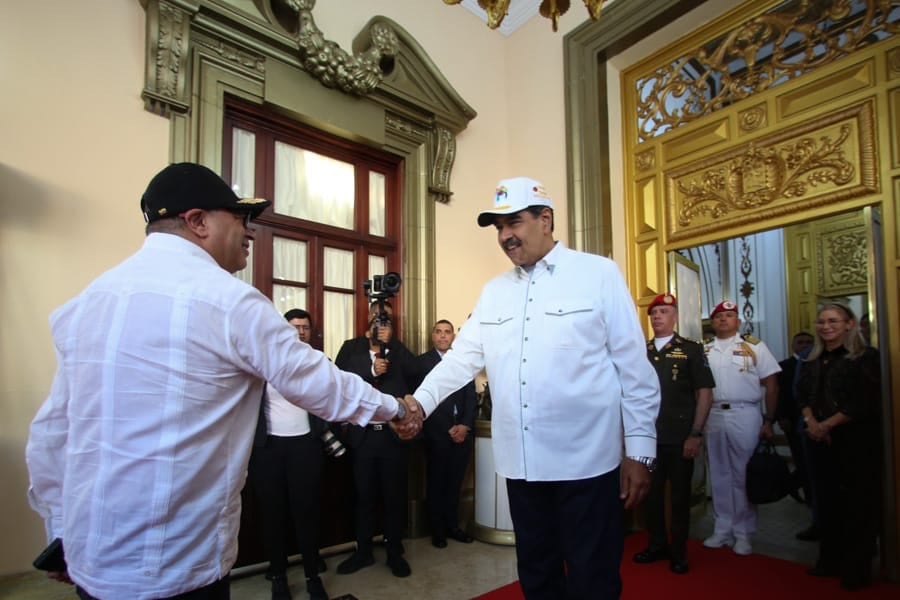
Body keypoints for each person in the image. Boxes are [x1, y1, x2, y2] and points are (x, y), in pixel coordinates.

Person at [25, 163, 419, 600]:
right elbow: (315, 381)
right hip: (176, 563)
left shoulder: (88, 300)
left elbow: (51, 434)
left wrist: (60, 532)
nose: (250, 233)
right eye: (240, 220)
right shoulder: (229, 301)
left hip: (92, 558)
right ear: (197, 222)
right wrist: (398, 409)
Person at [406, 177, 660, 599]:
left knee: (592, 577)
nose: (505, 236)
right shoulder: (494, 293)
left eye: (514, 223)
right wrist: (419, 402)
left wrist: (639, 451)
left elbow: (634, 370)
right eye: (498, 227)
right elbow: (460, 361)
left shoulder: (598, 274)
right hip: (522, 467)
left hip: (588, 464)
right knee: (537, 575)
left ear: (546, 219)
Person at [798, 302, 881, 590]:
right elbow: (802, 394)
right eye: (821, 321)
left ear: (849, 324)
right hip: (819, 439)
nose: (826, 326)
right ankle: (829, 559)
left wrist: (827, 425)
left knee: (857, 505)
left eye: (833, 321)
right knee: (827, 502)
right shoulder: (812, 359)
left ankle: (856, 567)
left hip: (855, 440)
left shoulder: (865, 358)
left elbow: (863, 401)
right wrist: (811, 421)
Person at [248, 309, 329, 600]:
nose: (300, 331)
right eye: (294, 326)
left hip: (305, 446)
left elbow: (331, 399)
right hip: (269, 448)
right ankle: (279, 576)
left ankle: (312, 576)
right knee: (273, 514)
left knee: (307, 512)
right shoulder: (262, 363)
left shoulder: (318, 362)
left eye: (305, 327)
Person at [633, 293, 714, 575]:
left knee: (679, 498)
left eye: (664, 312)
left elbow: (704, 393)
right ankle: (657, 545)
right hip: (648, 438)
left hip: (680, 438)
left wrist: (695, 433)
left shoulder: (690, 349)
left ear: (675, 316)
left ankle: (679, 552)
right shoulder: (641, 351)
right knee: (651, 495)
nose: (658, 317)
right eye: (654, 313)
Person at [334, 310, 418, 578]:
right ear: (366, 322)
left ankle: (394, 551)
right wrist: (370, 367)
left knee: (394, 496)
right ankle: (363, 551)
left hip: (392, 437)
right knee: (363, 496)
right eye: (375, 319)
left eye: (386, 321)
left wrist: (392, 345)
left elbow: (416, 372)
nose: (380, 324)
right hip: (364, 436)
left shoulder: (398, 351)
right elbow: (339, 377)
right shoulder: (352, 348)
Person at [702, 300, 780, 556]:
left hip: (745, 413)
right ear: (712, 322)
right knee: (719, 474)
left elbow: (771, 384)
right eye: (719, 316)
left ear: (738, 321)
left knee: (744, 474)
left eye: (729, 315)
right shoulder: (704, 350)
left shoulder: (753, 346)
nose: (724, 319)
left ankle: (744, 533)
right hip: (713, 414)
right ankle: (722, 529)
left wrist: (769, 419)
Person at [418, 319, 477, 549]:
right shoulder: (422, 363)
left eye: (447, 332)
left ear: (453, 336)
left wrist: (464, 425)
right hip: (436, 435)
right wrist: (446, 428)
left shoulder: (463, 362)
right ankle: (438, 530)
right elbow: (423, 400)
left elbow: (470, 397)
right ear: (432, 336)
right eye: (438, 332)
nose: (443, 336)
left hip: (462, 434)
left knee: (455, 483)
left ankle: (453, 526)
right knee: (436, 483)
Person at [774, 331, 817, 540]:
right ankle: (805, 495)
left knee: (813, 469)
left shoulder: (818, 361)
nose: (805, 345)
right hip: (794, 423)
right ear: (793, 345)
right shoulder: (785, 365)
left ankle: (796, 487)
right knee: (802, 462)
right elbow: (781, 393)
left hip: (820, 423)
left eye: (809, 342)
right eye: (801, 342)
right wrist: (780, 417)